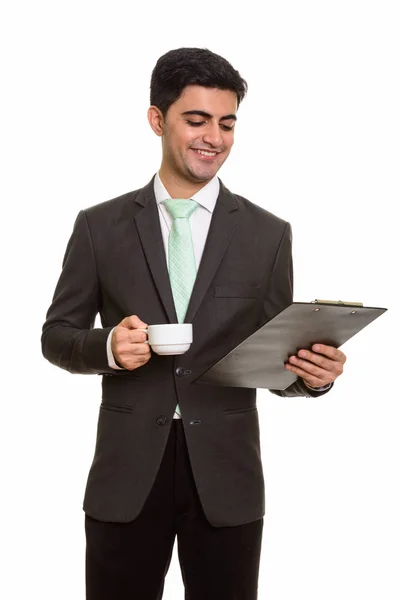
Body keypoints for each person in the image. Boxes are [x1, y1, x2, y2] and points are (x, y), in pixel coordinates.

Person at [41, 47, 346, 600]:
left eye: (227, 123)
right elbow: (56, 336)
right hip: (127, 473)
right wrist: (108, 346)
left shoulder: (268, 234)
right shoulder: (99, 226)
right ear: (158, 119)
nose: (215, 137)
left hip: (225, 479)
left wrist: (314, 375)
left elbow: (277, 360)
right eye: (197, 119)